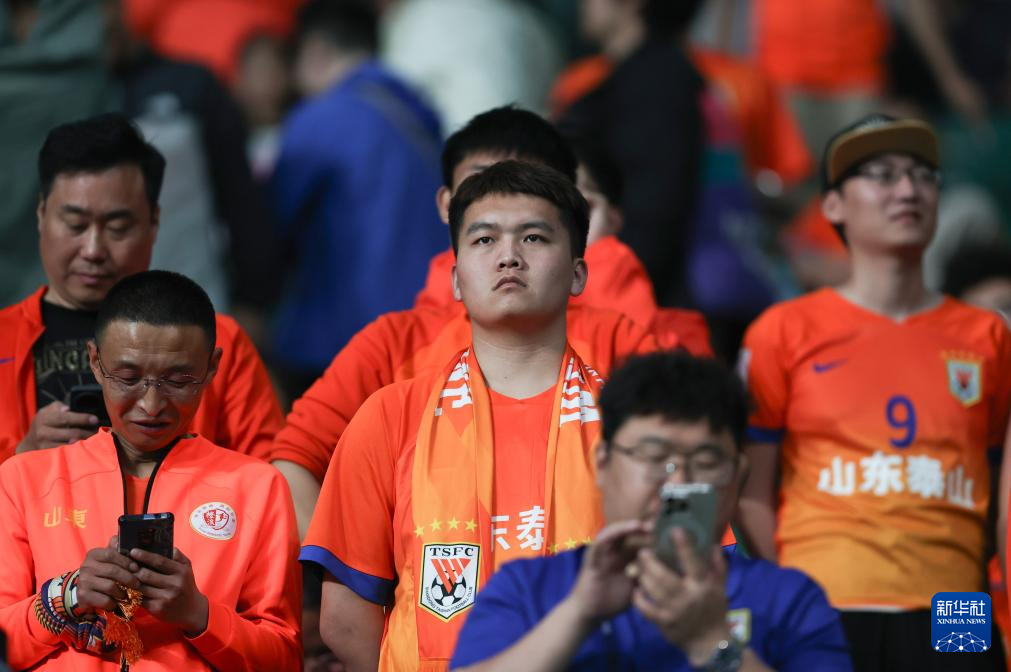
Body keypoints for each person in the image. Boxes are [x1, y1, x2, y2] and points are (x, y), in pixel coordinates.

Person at [271, 106, 698, 537]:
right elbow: (294, 460)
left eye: (530, 222)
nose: (509, 252)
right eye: (482, 183)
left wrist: (665, 569)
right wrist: (361, 562)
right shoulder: (392, 350)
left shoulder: (618, 337)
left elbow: (695, 462)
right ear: (448, 205)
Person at [302, 161, 609, 670]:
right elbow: (344, 617)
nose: (509, 256)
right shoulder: (390, 416)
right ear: (456, 279)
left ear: (578, 273)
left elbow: (688, 589)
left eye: (533, 238)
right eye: (484, 240)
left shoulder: (632, 424)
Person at [738, 114, 1011, 671]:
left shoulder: (989, 336)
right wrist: (795, 595)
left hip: (957, 604)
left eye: (923, 176)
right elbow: (750, 492)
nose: (908, 189)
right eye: (882, 175)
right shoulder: (782, 331)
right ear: (833, 206)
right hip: (827, 601)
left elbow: (997, 491)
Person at [451, 352, 852, 671]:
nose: (678, 483)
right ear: (603, 464)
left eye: (706, 462)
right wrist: (577, 614)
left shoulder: (790, 599)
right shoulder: (527, 587)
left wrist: (712, 641)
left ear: (737, 478)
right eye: (654, 457)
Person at [0, 270, 301, 671]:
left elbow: (283, 658)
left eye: (179, 380)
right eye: (128, 378)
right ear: (95, 361)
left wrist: (200, 615)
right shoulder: (23, 479)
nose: (151, 405)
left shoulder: (257, 487)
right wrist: (68, 595)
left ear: (212, 367)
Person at [0, 113, 282, 464]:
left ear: (154, 223)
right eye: (75, 224)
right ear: (41, 215)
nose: (93, 250)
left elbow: (268, 473)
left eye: (117, 228)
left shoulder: (217, 341)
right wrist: (20, 457)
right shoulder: (4, 338)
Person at [270, 0, 445, 397]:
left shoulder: (320, 117)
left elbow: (273, 222)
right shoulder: (420, 113)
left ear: (315, 50)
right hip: (426, 328)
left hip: (341, 338)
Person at [559, 0, 705, 306]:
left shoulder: (657, 82)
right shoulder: (642, 75)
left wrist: (605, 290)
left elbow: (655, 205)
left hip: (641, 298)